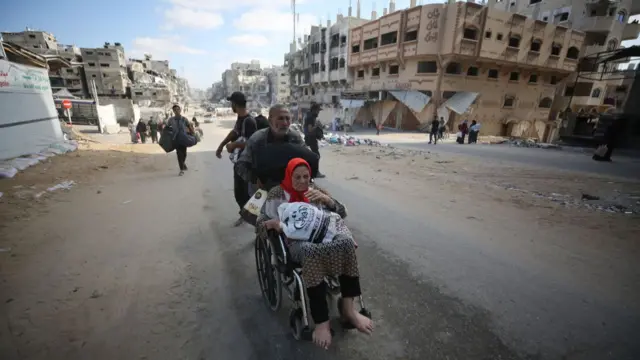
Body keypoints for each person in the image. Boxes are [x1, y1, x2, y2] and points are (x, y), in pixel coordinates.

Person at [256, 158, 374, 349]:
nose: (303, 181)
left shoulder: (314, 189)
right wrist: (274, 224)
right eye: (297, 177)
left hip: (322, 236)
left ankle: (348, 309)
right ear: (289, 175)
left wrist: (327, 200)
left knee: (345, 242)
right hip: (295, 243)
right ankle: (321, 323)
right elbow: (260, 224)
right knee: (310, 251)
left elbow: (341, 212)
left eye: (306, 177)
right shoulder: (276, 194)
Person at [236, 104, 313, 192]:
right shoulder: (257, 139)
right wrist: (254, 179)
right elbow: (240, 165)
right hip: (262, 190)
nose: (285, 123)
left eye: (287, 118)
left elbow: (308, 159)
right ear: (270, 120)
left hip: (288, 189)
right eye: (280, 118)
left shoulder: (295, 137)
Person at [215, 92, 258, 226]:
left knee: (247, 193)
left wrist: (234, 145)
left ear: (235, 104)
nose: (231, 106)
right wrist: (221, 145)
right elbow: (234, 132)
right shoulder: (240, 119)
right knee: (239, 193)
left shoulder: (249, 121)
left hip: (248, 163)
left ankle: (255, 220)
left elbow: (253, 143)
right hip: (240, 162)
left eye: (231, 103)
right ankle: (246, 216)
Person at [167, 104, 193, 176]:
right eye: (175, 110)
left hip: (184, 138)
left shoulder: (184, 119)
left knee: (184, 154)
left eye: (178, 109)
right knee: (179, 154)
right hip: (176, 139)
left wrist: (193, 135)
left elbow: (189, 127)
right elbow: (167, 127)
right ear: (173, 111)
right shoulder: (171, 120)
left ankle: (183, 163)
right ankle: (181, 169)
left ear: (180, 110)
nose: (176, 111)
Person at [304, 103, 326, 178]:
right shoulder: (310, 118)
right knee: (316, 156)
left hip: (309, 138)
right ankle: (316, 172)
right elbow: (310, 130)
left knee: (314, 155)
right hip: (311, 138)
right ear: (314, 110)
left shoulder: (309, 116)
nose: (318, 113)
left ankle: (312, 171)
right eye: (318, 111)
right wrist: (317, 125)